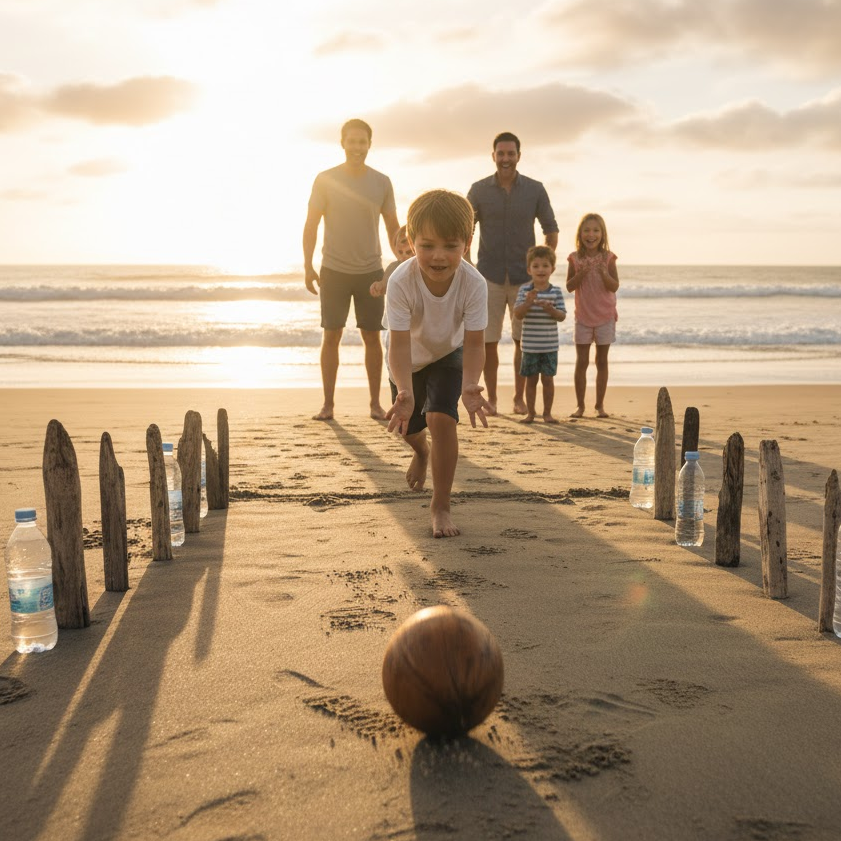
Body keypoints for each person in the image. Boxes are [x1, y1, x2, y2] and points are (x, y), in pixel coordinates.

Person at [385, 189, 491, 538]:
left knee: (441, 418)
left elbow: (475, 342)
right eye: (427, 245)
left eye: (451, 245)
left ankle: (441, 505)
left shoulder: (473, 283)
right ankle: (421, 452)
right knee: (411, 429)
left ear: (468, 241)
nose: (439, 256)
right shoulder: (401, 281)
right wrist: (403, 389)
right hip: (407, 360)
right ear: (410, 240)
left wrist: (471, 382)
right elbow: (398, 343)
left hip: (449, 352)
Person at [302, 118, 401, 421]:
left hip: (371, 270)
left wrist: (404, 262)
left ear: (369, 145)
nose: (357, 147)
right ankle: (328, 404)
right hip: (333, 269)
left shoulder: (382, 181)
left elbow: (393, 226)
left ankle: (375, 404)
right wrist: (307, 264)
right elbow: (311, 223)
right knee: (331, 335)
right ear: (342, 143)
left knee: (372, 337)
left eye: (362, 142)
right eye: (352, 141)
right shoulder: (325, 179)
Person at [467, 132, 559, 416]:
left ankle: (519, 399)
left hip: (524, 279)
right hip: (488, 277)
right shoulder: (479, 190)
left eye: (511, 153)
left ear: (519, 155)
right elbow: (464, 228)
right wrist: (468, 265)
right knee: (489, 341)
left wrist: (542, 271)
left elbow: (551, 229)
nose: (506, 159)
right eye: (501, 153)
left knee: (524, 343)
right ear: (493, 155)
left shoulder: (535, 189)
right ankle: (492, 398)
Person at [565, 213, 619, 418]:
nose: (591, 234)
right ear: (580, 233)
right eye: (587, 230)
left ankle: (599, 406)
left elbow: (615, 285)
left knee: (602, 361)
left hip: (605, 316)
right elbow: (569, 286)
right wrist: (582, 273)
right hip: (583, 317)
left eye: (596, 230)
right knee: (582, 361)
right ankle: (580, 406)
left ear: (602, 234)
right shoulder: (575, 258)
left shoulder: (608, 257)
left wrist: (604, 273)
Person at [512, 245, 567, 423]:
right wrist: (528, 303)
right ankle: (531, 413)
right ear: (529, 270)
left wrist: (551, 310)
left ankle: (547, 414)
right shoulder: (524, 291)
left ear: (552, 269)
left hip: (549, 346)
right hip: (529, 346)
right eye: (536, 266)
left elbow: (562, 316)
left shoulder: (556, 291)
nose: (541, 269)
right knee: (531, 381)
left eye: (545, 265)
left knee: (548, 380)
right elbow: (518, 314)